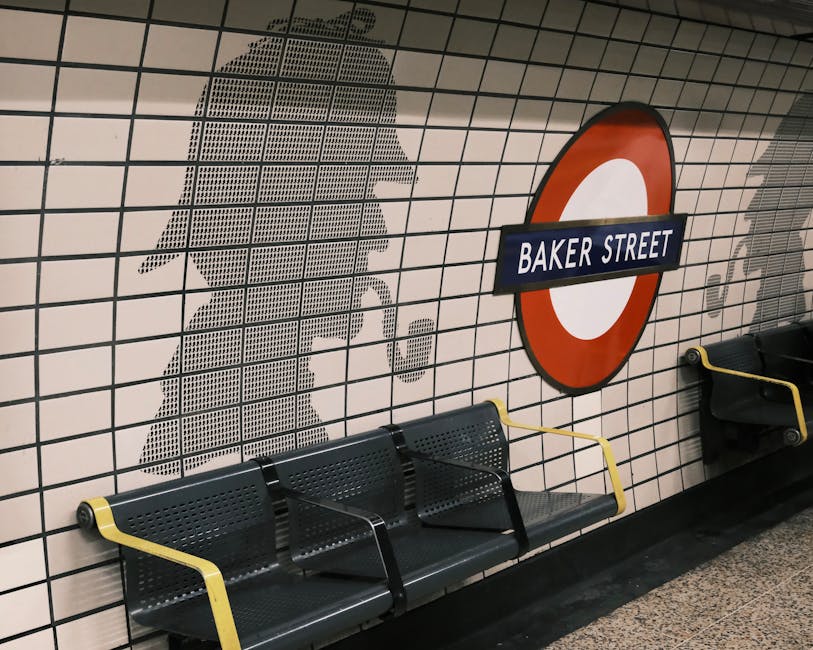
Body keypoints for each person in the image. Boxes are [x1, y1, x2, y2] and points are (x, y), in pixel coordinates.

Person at [138, 8, 432, 474]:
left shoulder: (263, 387)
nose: (375, 232)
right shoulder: (231, 400)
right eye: (351, 197)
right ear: (258, 223)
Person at [704, 92, 813, 331]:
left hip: (776, 232)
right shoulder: (793, 173)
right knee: (775, 301)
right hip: (777, 232)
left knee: (776, 301)